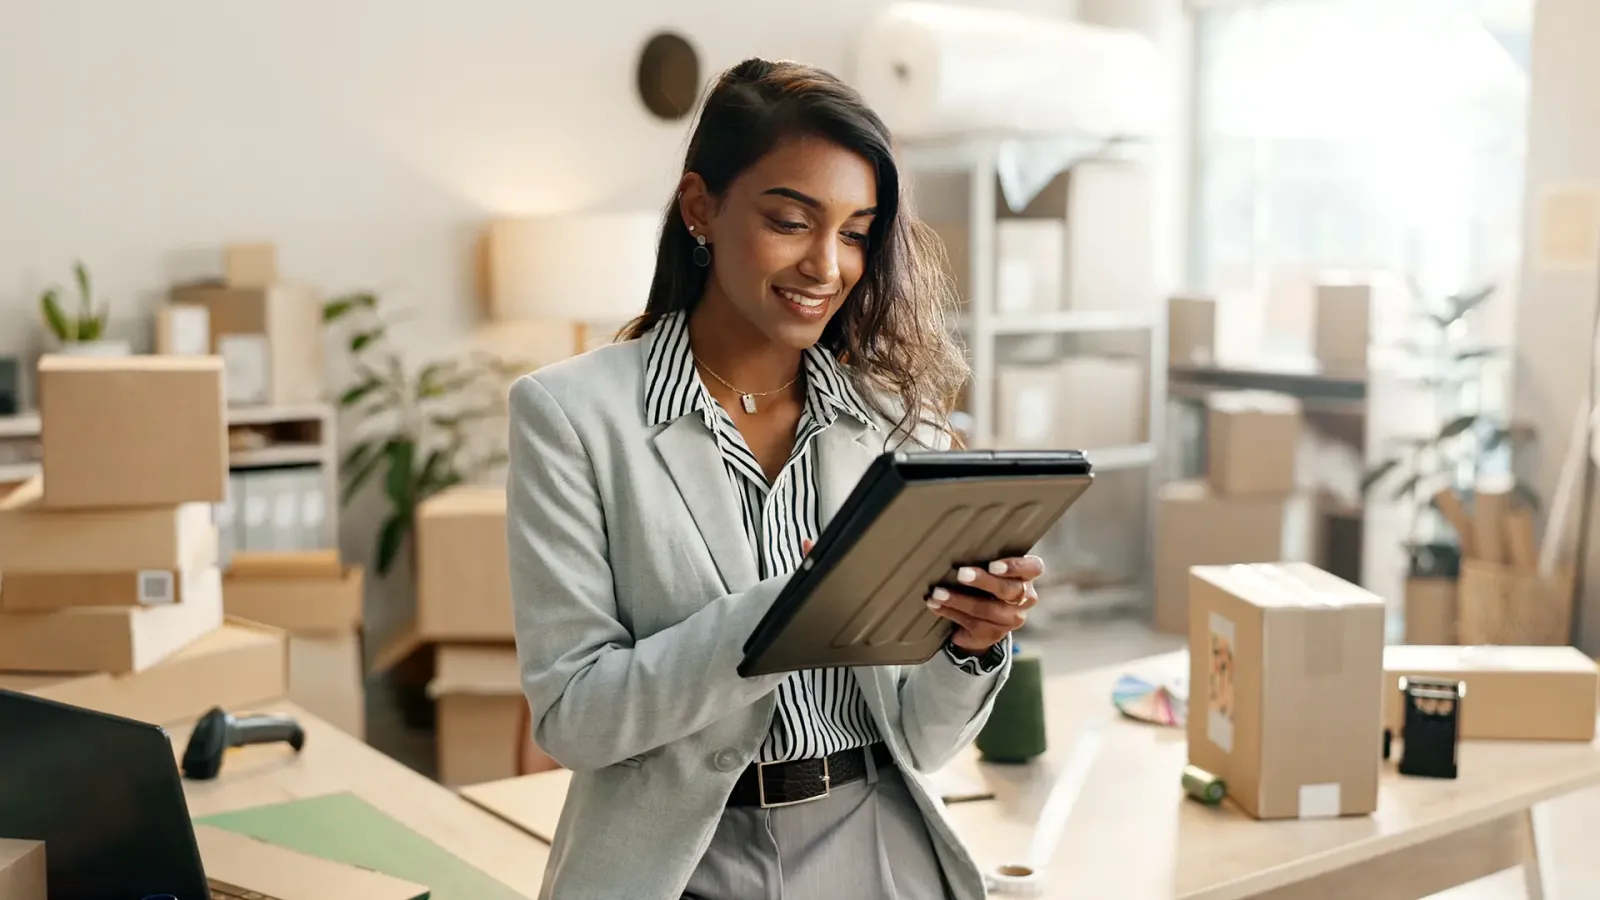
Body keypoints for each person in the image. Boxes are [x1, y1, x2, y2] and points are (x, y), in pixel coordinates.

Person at [505, 57, 1044, 900]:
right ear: (701, 209)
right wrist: (785, 612)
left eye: (858, 231)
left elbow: (924, 742)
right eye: (792, 221)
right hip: (679, 865)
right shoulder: (571, 416)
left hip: (875, 844)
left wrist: (973, 646)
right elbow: (575, 717)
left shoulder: (900, 422)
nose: (827, 265)